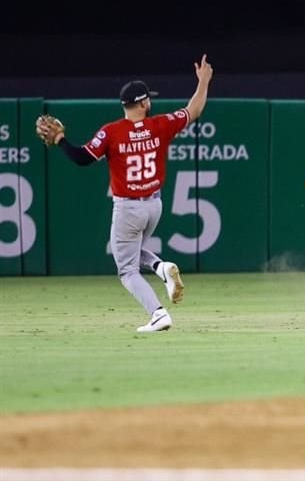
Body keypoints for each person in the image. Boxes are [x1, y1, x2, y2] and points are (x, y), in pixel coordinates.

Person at [39, 55, 214, 332]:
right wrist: (204, 81)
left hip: (128, 208)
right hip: (154, 205)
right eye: (148, 99)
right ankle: (161, 268)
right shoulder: (161, 125)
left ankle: (158, 314)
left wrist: (61, 141)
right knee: (134, 253)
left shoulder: (111, 132)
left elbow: (82, 158)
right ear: (143, 103)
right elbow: (193, 110)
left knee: (127, 270)